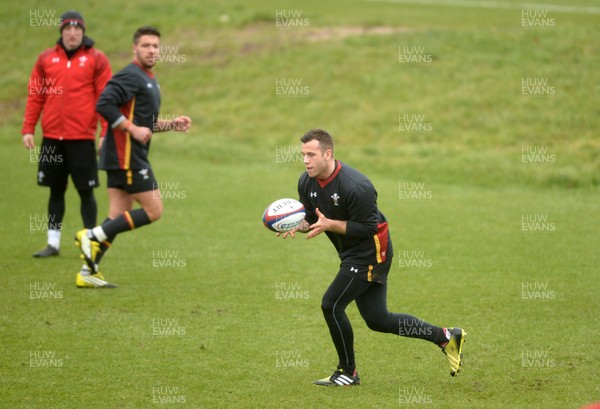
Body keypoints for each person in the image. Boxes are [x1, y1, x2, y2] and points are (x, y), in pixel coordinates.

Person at [279, 129, 466, 386]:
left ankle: (347, 372)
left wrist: (330, 225)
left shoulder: (357, 186)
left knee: (331, 305)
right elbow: (313, 218)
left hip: (370, 252)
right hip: (351, 252)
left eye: (311, 154)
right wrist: (297, 225)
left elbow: (367, 229)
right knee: (378, 319)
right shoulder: (306, 181)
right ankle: (447, 337)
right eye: (303, 155)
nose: (305, 160)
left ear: (328, 153)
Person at [74, 26, 192, 288]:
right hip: (126, 156)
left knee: (118, 214)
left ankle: (87, 272)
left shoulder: (148, 78)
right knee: (154, 210)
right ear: (134, 48)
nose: (152, 50)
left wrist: (171, 124)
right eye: (146, 45)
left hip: (122, 156)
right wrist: (131, 129)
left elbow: (145, 122)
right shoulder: (130, 75)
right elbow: (104, 103)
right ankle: (91, 235)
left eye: (156, 46)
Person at [22, 10, 112, 259]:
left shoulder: (96, 59)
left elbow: (105, 98)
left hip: (81, 138)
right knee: (55, 190)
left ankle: (89, 242)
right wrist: (29, 128)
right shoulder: (46, 59)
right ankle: (53, 243)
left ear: (83, 32)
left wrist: (105, 131)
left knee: (86, 191)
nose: (72, 33)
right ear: (61, 32)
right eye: (67, 29)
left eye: (77, 29)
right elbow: (36, 96)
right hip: (52, 138)